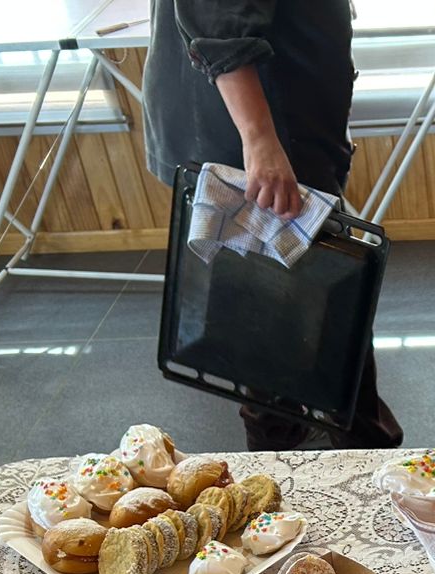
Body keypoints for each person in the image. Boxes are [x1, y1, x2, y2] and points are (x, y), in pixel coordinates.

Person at [144, 0, 404, 452]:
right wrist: (260, 140)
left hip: (272, 121)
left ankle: (302, 442)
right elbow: (218, 22)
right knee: (312, 316)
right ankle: (335, 454)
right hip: (255, 132)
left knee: (280, 317)